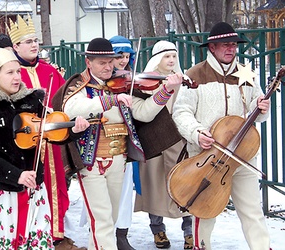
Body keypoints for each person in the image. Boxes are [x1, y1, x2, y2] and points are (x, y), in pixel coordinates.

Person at [0, 47, 89, 249]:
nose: (17, 77)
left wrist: (74, 130)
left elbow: (52, 133)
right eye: (10, 73)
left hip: (33, 189)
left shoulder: (32, 101)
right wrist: (16, 174)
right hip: (1, 192)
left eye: (18, 71)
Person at [172, 22, 271, 250]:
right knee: (205, 211)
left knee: (252, 211)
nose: (230, 48)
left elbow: (258, 114)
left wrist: (262, 109)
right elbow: (181, 111)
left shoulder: (246, 74)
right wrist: (197, 133)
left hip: (242, 156)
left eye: (233, 44)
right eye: (224, 44)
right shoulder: (195, 74)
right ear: (212, 48)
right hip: (208, 157)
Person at [52, 37, 144, 250]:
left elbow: (143, 113)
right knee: (101, 219)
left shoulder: (120, 83)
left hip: (118, 158)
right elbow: (70, 108)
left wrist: (164, 92)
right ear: (89, 63)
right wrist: (110, 100)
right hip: (91, 159)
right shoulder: (79, 84)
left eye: (111, 61)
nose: (109, 66)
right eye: (102, 62)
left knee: (109, 218)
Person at [7, 14, 84, 249]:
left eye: (35, 40)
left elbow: (66, 102)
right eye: (28, 41)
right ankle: (28, 235)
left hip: (52, 141)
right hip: (24, 143)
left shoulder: (51, 71)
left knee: (57, 186)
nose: (34, 45)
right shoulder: (10, 72)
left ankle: (56, 235)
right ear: (15, 46)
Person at [132, 40, 193, 249]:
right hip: (155, 142)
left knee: (186, 189)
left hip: (180, 141)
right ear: (157, 59)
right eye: (167, 56)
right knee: (155, 188)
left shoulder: (185, 82)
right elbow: (144, 113)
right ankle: (157, 231)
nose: (171, 60)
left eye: (174, 56)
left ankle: (189, 233)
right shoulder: (145, 83)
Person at [110, 35, 136, 250]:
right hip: (105, 141)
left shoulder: (132, 78)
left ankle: (122, 233)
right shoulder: (101, 80)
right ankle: (103, 231)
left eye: (127, 57)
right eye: (119, 56)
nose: (123, 61)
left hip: (127, 140)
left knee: (126, 189)